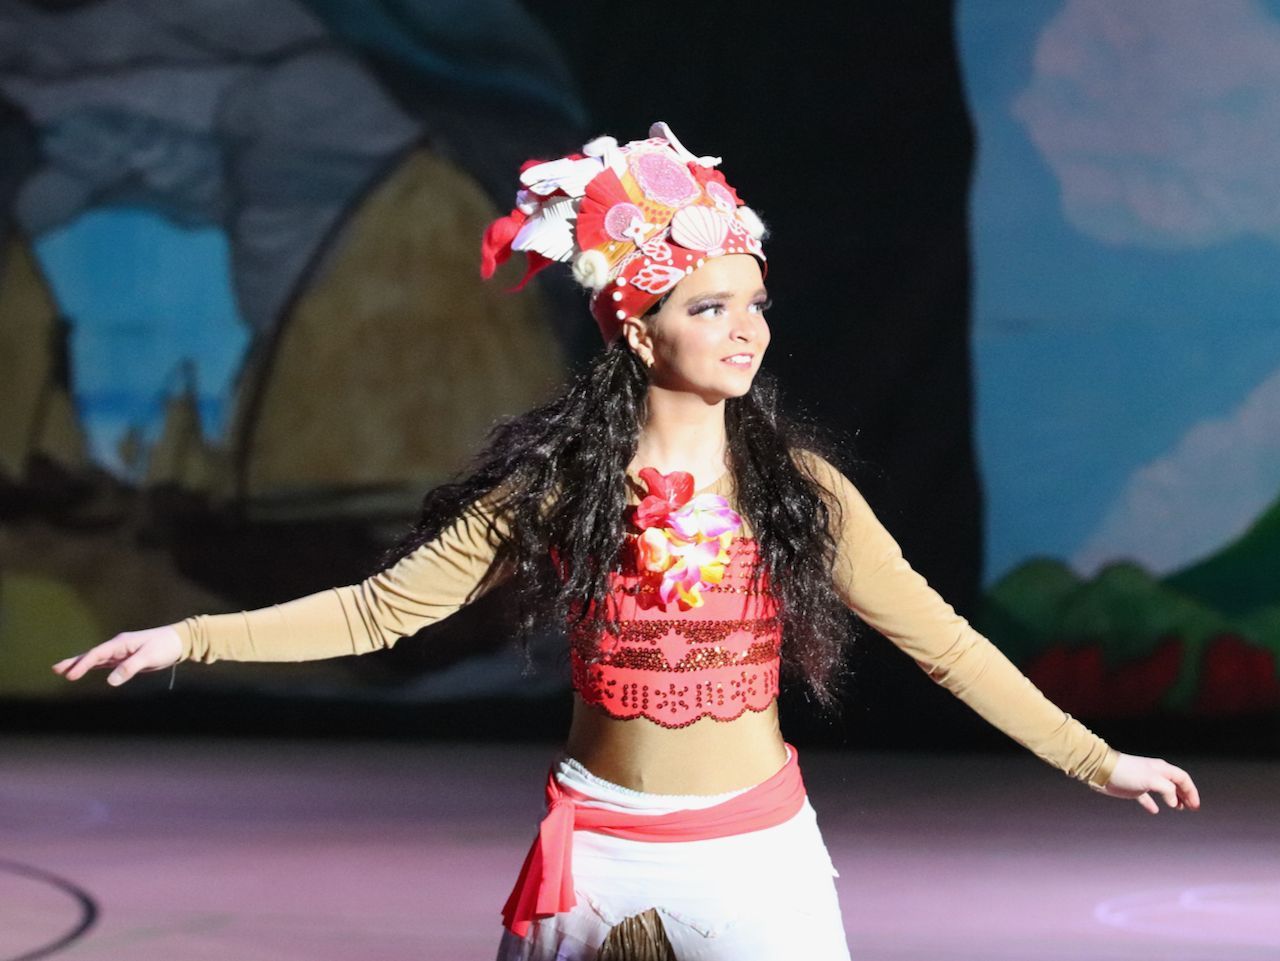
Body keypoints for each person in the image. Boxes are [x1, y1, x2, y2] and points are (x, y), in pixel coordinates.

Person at [53, 122, 1200, 960]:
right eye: (708, 307)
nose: (745, 330)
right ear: (641, 335)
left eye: (753, 303)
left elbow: (941, 642)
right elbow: (377, 610)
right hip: (597, 857)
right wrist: (191, 637)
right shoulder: (559, 487)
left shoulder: (799, 491)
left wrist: (1095, 758)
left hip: (759, 860)